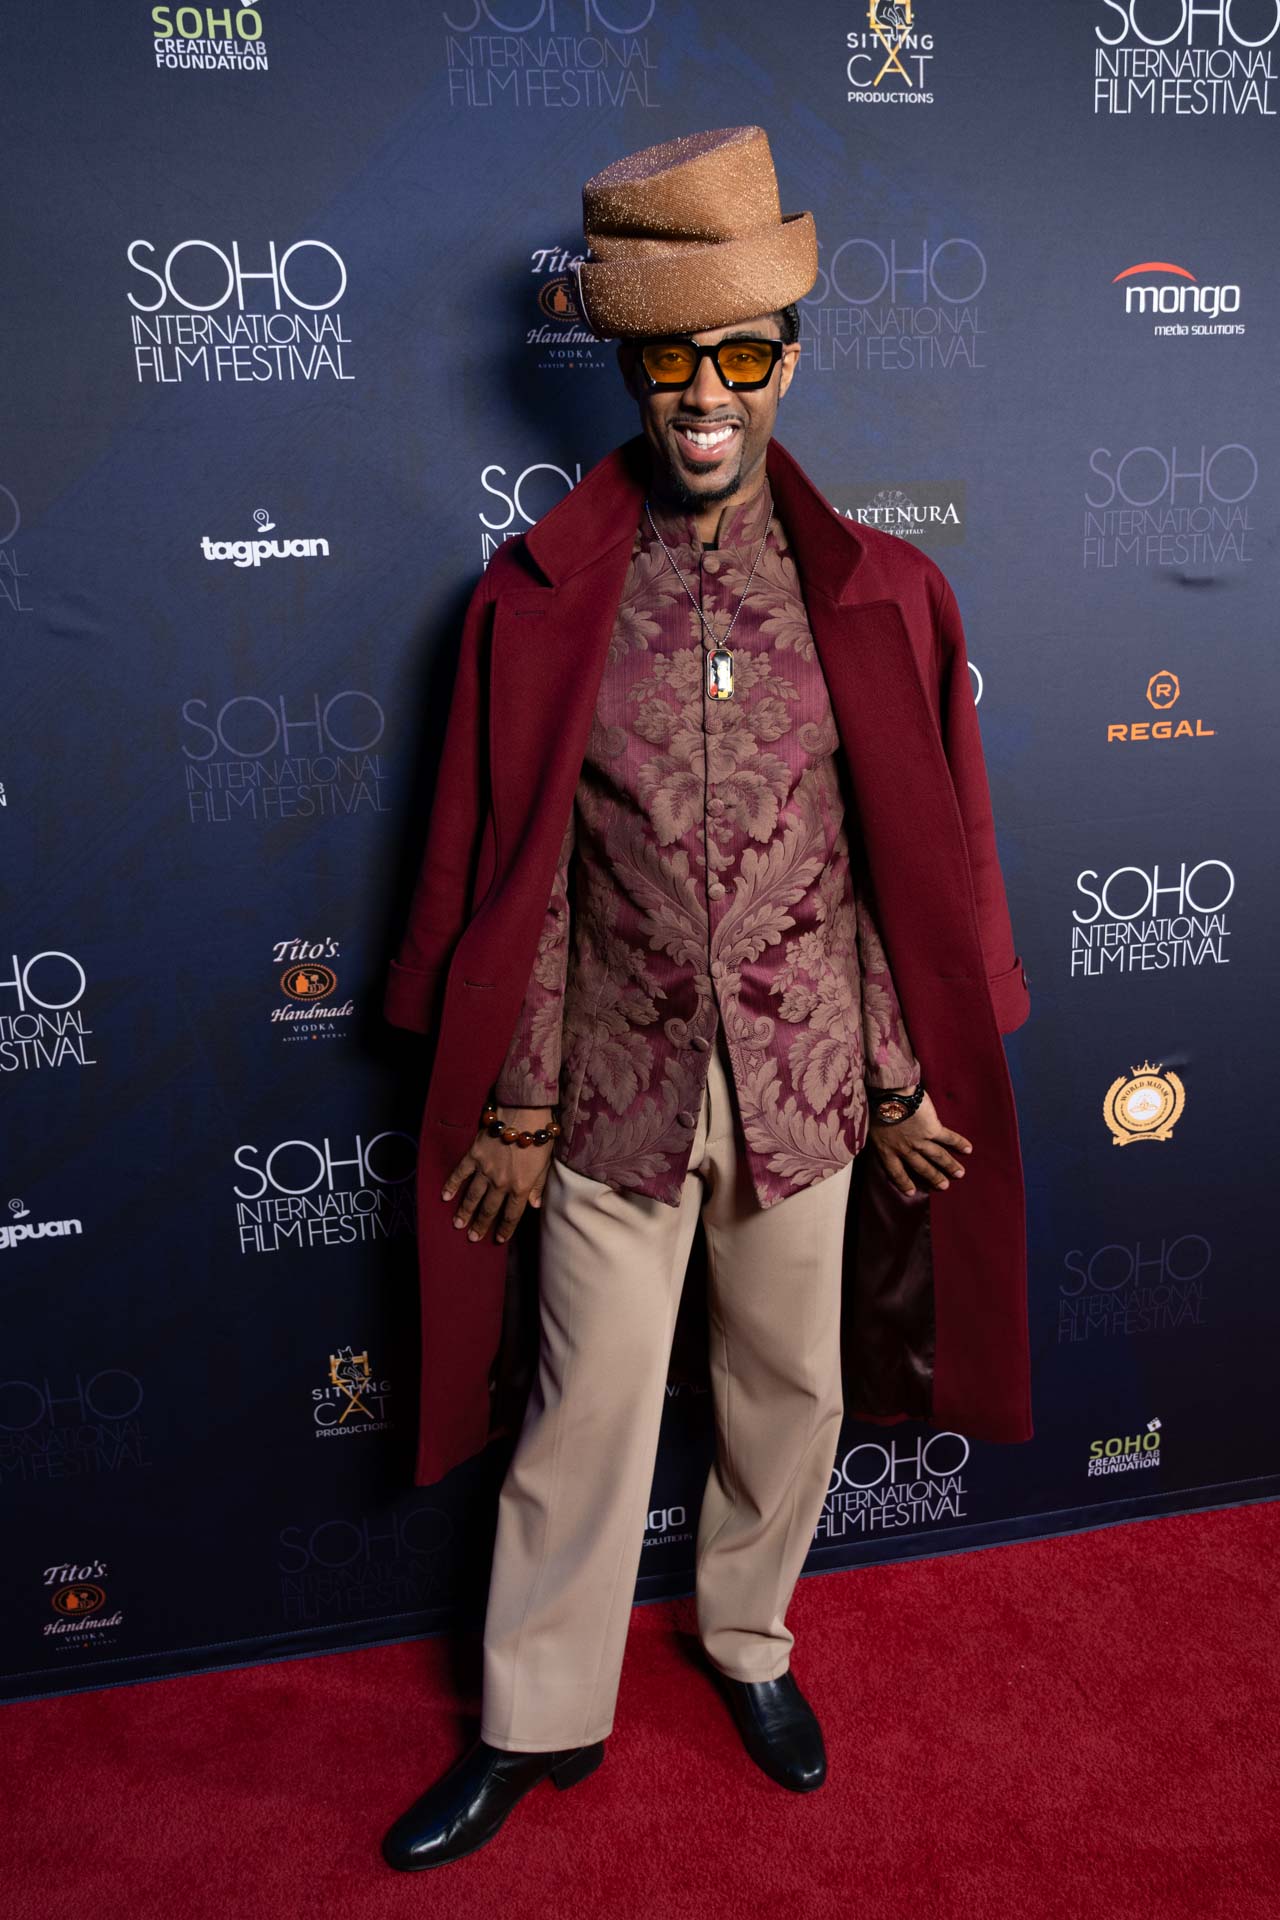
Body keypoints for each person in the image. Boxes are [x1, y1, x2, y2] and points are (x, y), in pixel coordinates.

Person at [381, 125, 1031, 1873]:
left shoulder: (885, 596)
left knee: (788, 1391)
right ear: (633, 368)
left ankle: (749, 1644)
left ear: (787, 361)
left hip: (811, 1076)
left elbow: (914, 869)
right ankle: (535, 1720)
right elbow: (517, 877)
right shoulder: (536, 603)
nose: (708, 397)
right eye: (675, 361)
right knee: (581, 1411)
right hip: (612, 1082)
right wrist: (515, 1097)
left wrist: (899, 1077)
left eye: (742, 358)